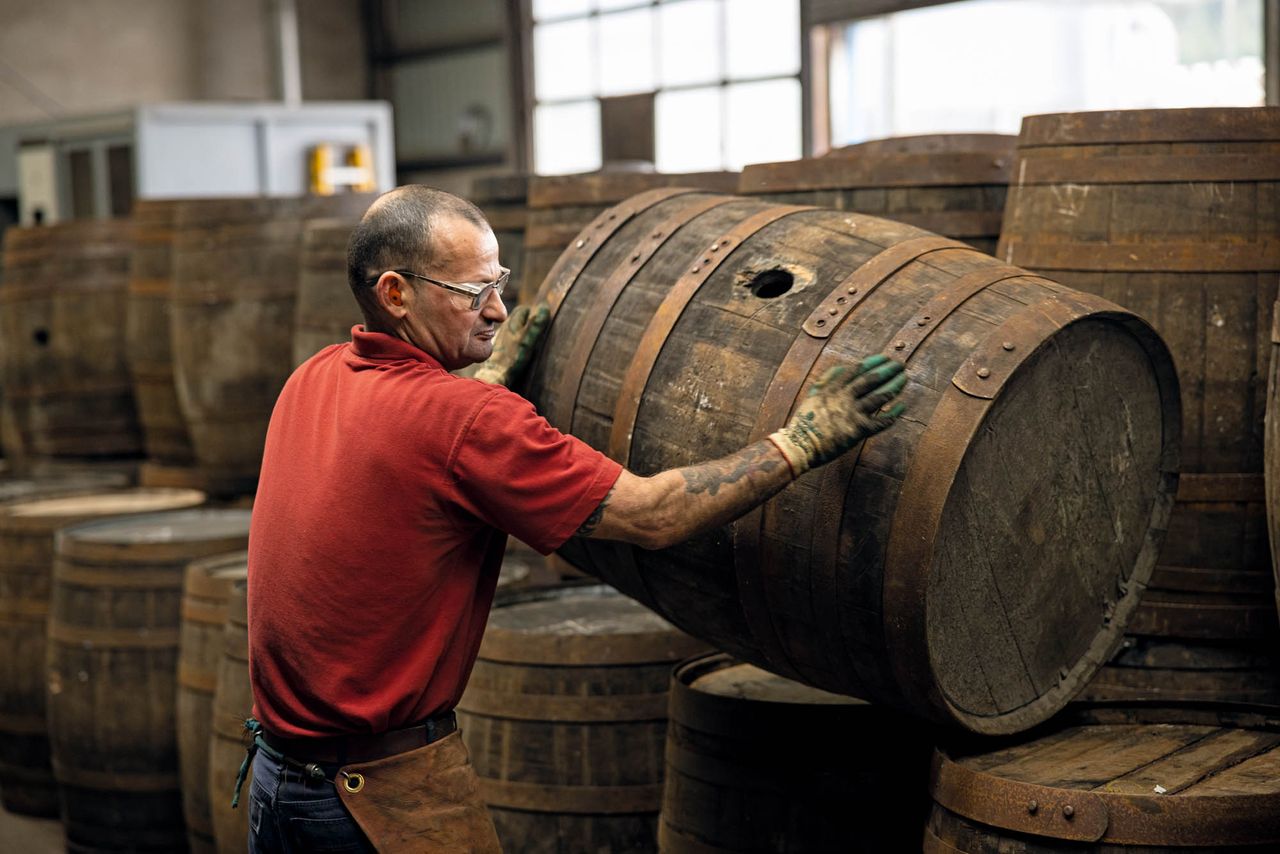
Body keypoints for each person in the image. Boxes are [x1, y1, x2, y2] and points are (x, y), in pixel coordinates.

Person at [243, 186, 907, 852]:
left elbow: (415, 438)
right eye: (474, 294)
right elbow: (654, 514)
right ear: (395, 293)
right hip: (374, 801)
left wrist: (490, 374)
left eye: (499, 283)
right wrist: (804, 440)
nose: (499, 309)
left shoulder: (315, 376)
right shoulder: (469, 423)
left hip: (278, 781)